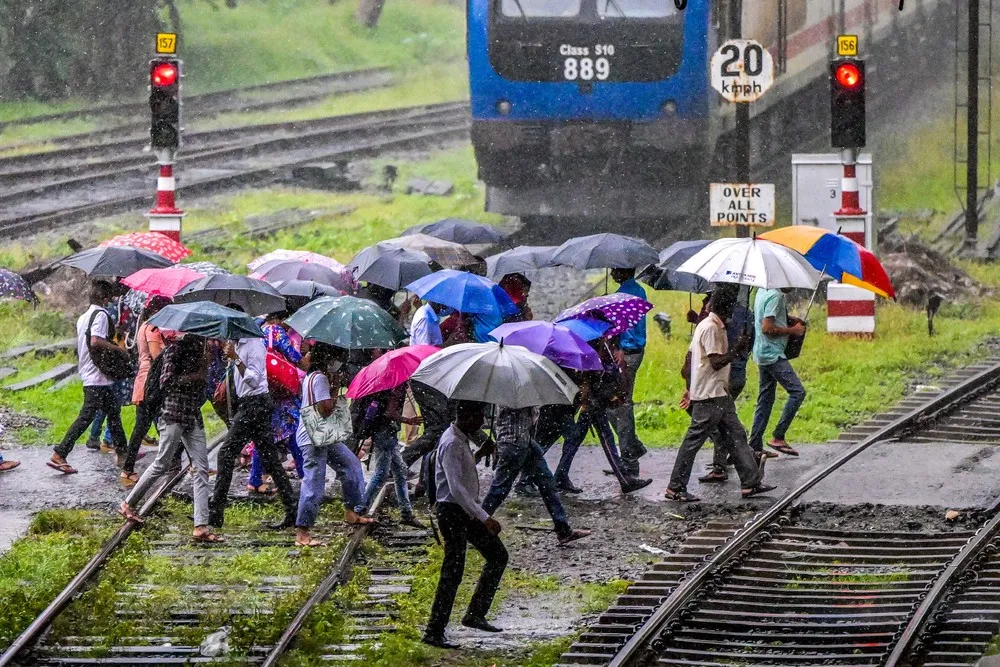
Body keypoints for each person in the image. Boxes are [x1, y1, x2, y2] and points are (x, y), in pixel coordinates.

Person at [664, 289, 775, 502]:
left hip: (717, 393)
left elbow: (689, 360)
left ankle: (750, 483)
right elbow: (715, 362)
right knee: (693, 440)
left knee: (736, 435)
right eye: (732, 307)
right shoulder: (712, 328)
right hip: (710, 394)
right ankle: (675, 487)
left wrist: (690, 386)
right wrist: (737, 350)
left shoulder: (707, 325)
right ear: (726, 308)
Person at [423, 401, 508, 649]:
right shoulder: (450, 443)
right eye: (479, 416)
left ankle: (475, 614)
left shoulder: (459, 439)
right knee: (453, 572)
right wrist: (485, 518)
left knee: (497, 556)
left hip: (464, 512)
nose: (482, 422)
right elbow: (456, 488)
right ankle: (434, 630)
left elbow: (461, 471)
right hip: (453, 514)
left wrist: (480, 453)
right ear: (466, 416)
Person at [119, 334, 218, 542]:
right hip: (172, 414)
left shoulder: (203, 352)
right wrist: (195, 377)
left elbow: (201, 390)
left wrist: (204, 370)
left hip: (192, 416)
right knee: (162, 463)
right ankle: (128, 503)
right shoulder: (175, 350)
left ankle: (201, 525)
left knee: (201, 468)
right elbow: (166, 382)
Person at [209, 331, 297, 531]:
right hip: (249, 404)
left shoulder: (255, 345)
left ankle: (215, 512)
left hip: (255, 405)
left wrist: (236, 359)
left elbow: (254, 380)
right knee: (270, 459)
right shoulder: (237, 344)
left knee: (225, 454)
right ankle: (292, 509)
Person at [295, 343, 373, 547]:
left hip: (322, 436)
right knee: (314, 482)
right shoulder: (319, 378)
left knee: (351, 465)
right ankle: (302, 532)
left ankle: (351, 510)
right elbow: (325, 409)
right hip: (314, 439)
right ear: (329, 358)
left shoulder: (313, 376)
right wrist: (335, 390)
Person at [49, 281, 129, 475]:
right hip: (98, 376)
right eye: (110, 298)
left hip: (91, 372)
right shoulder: (101, 315)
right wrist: (118, 348)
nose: (111, 301)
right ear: (104, 298)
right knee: (87, 417)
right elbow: (95, 341)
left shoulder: (84, 316)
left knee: (114, 414)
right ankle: (60, 452)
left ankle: (123, 454)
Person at [481, 405, 590, 546]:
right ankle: (477, 526)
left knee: (547, 483)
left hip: (525, 442)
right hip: (513, 443)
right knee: (500, 489)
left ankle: (563, 529)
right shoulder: (516, 394)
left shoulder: (520, 392)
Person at [354, 380, 424, 528]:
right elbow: (390, 412)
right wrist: (408, 420)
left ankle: (406, 513)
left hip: (384, 433)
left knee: (400, 472)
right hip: (386, 434)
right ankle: (360, 509)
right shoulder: (396, 386)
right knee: (381, 474)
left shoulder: (387, 383)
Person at [749, 287, 808, 458]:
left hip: (761, 352)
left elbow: (762, 317)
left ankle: (754, 445)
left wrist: (787, 319)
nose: (792, 286)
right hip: (772, 354)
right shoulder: (776, 296)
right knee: (798, 392)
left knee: (765, 399)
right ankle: (778, 436)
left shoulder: (762, 291)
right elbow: (767, 327)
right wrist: (793, 331)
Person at [120, 296, 168, 485]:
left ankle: (129, 468)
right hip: (151, 381)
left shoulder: (144, 325)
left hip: (145, 379)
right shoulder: (153, 328)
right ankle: (128, 468)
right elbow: (157, 356)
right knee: (144, 426)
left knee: (149, 425)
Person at [608, 268, 648, 477]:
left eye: (616, 268)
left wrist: (620, 347)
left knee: (620, 407)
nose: (612, 271)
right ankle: (632, 447)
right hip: (633, 351)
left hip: (627, 354)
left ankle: (629, 462)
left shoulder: (624, 295)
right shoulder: (637, 290)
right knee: (615, 406)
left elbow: (626, 327)